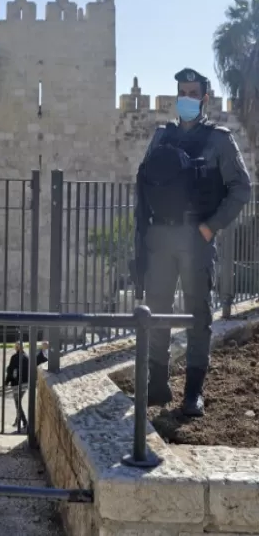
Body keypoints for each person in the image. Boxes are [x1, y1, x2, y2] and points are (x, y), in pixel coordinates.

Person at [134, 68, 251, 417]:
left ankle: (193, 393)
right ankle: (157, 385)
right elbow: (143, 182)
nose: (186, 98)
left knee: (198, 315)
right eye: (181, 92)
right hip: (159, 238)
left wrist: (211, 227)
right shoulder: (161, 136)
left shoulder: (219, 140)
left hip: (196, 239)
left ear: (204, 98)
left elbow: (241, 188)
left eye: (192, 92)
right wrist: (142, 234)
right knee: (156, 312)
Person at [5, 341, 48, 430]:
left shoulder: (14, 357)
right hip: (25, 383)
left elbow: (10, 371)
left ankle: (24, 421)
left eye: (15, 346)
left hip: (16, 383)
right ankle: (18, 420)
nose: (15, 348)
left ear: (17, 348)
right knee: (18, 401)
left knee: (17, 402)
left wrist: (6, 383)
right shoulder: (27, 357)